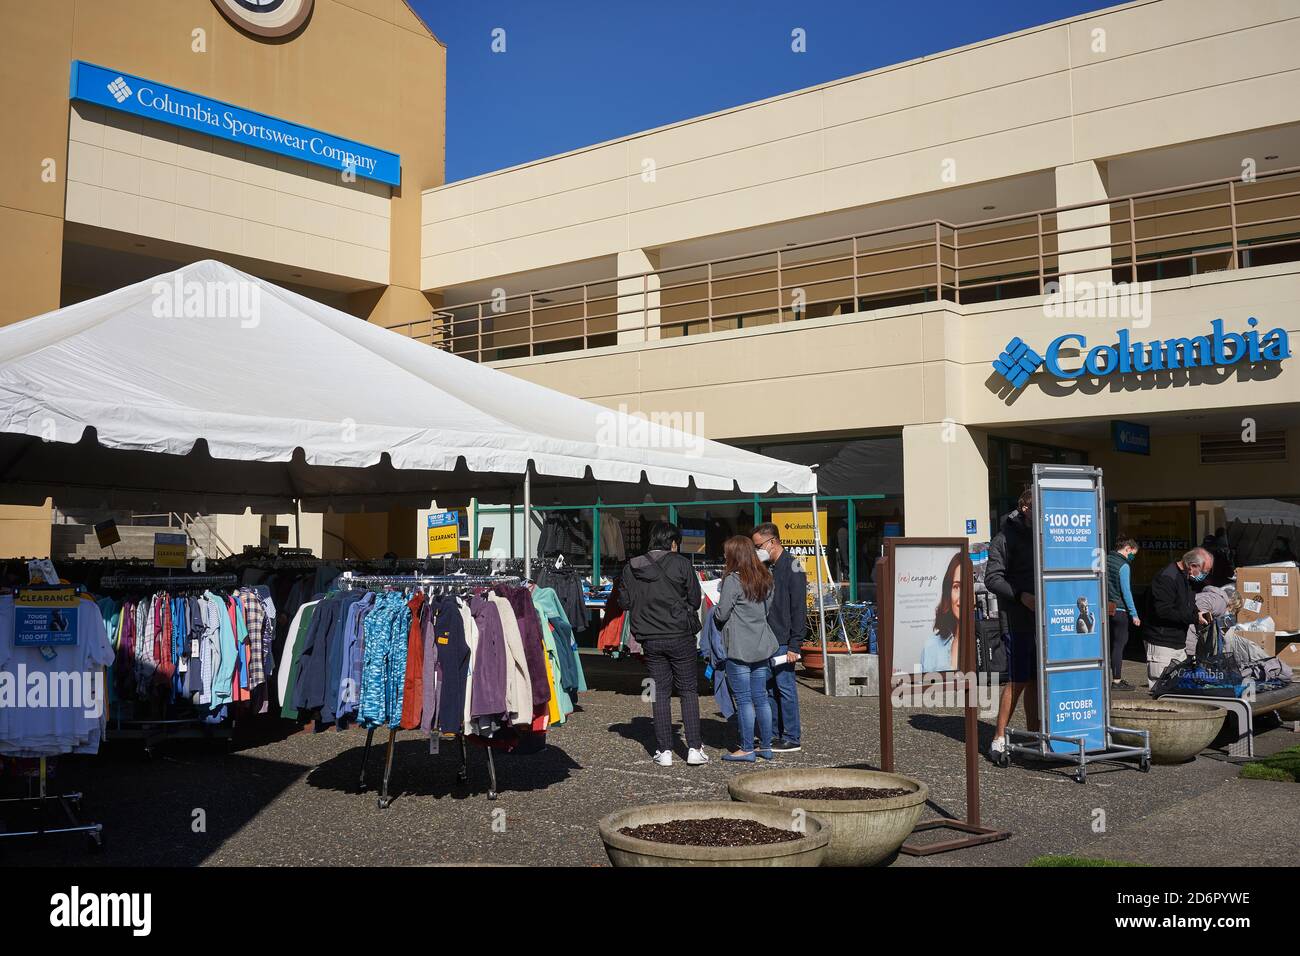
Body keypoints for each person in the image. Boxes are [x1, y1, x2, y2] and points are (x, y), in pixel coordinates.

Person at [619, 521, 707, 767]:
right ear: (672, 541)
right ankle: (694, 748)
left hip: (650, 638)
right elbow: (694, 599)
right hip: (680, 635)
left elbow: (624, 602)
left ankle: (664, 750)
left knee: (659, 693)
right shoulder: (681, 563)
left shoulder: (631, 566)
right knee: (688, 690)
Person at [714, 536, 781, 762]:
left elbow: (722, 614)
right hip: (761, 644)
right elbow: (767, 610)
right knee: (761, 697)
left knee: (744, 700)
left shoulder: (733, 580)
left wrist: (714, 611)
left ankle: (746, 748)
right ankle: (766, 746)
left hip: (739, 647)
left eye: (727, 553)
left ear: (735, 555)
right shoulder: (766, 577)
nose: (724, 557)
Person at [986, 487, 1039, 758]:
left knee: (1036, 681)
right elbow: (992, 578)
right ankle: (999, 737)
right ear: (1026, 508)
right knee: (1018, 679)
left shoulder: (1044, 534)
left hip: (1046, 619)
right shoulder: (1004, 537)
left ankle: (1032, 736)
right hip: (1017, 618)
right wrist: (1021, 596)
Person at [751, 522, 806, 753]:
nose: (756, 550)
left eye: (758, 545)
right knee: (769, 688)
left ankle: (792, 736)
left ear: (772, 541)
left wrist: (795, 643)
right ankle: (773, 733)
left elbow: (798, 607)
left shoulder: (793, 566)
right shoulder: (765, 566)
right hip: (767, 638)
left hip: (784, 639)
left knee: (785, 688)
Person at [1143, 546, 1213, 688]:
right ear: (1192, 566)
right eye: (1204, 572)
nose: (1205, 576)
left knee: (1180, 689)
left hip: (1179, 644)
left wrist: (1198, 613)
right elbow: (1163, 611)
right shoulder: (1167, 577)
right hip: (1162, 642)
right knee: (1161, 688)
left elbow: (1187, 605)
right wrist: (1194, 618)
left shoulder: (1187, 579)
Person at [1105, 537, 1140, 690]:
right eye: (1133, 554)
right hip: (1119, 609)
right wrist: (1134, 614)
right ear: (1127, 548)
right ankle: (1117, 681)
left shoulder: (1104, 560)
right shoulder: (1124, 566)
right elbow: (1126, 592)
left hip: (1105, 608)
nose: (1132, 557)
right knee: (1118, 645)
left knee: (1106, 645)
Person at [921, 552, 962, 672]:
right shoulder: (931, 646)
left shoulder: (987, 643)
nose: (961, 597)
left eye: (966, 587)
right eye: (956, 587)